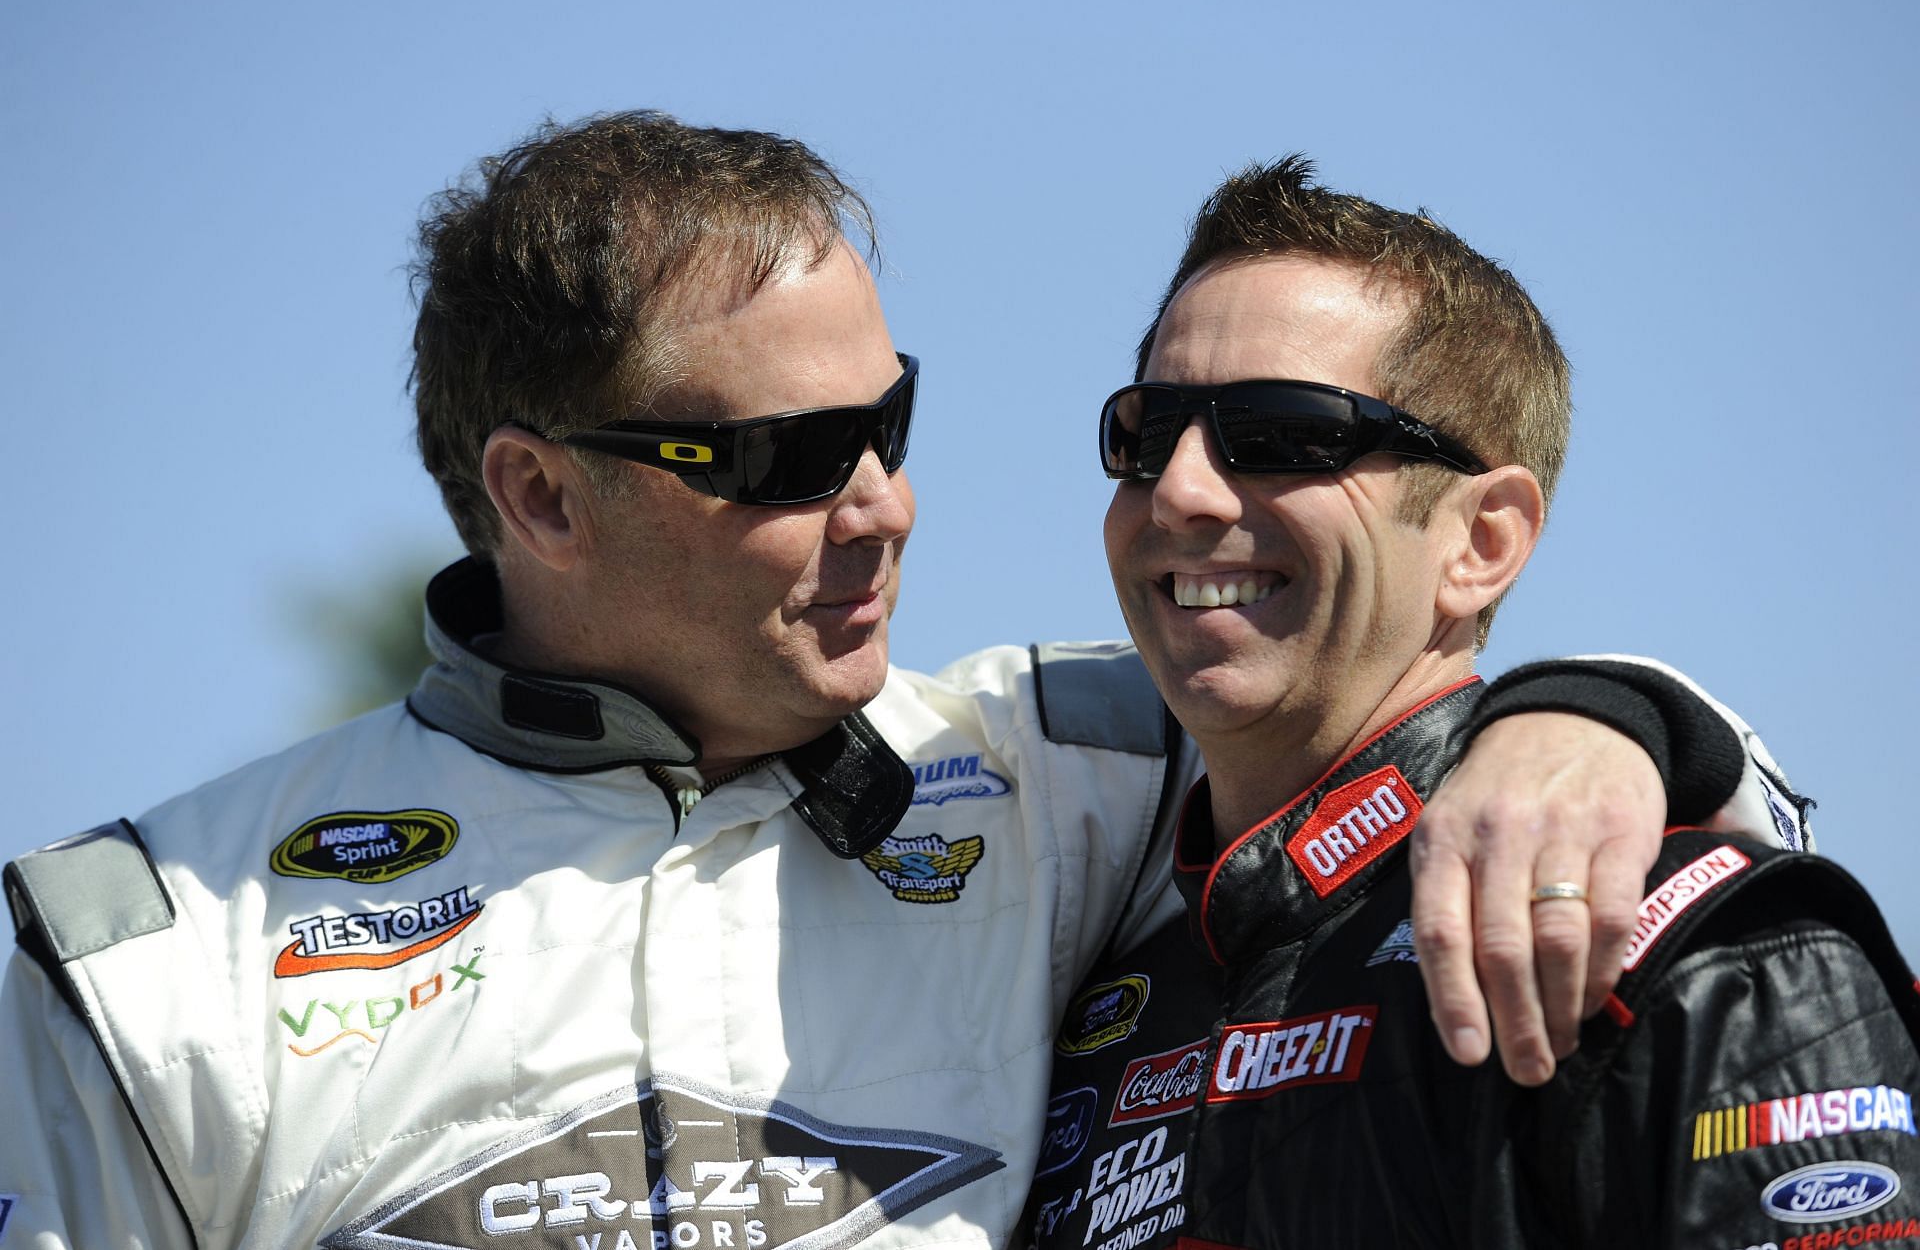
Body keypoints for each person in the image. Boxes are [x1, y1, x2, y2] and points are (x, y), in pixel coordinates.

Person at [0, 115, 1800, 1250]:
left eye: (891, 420)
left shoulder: (1065, 758)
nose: (887, 504)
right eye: (789, 455)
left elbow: (1422, 710)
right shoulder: (134, 949)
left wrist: (1599, 714)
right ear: (539, 494)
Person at [1022, 156, 1919, 1250]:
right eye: (1146, 432)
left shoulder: (1689, 944)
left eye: (1283, 434)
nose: (1181, 489)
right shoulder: (1083, 1006)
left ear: (1481, 541)